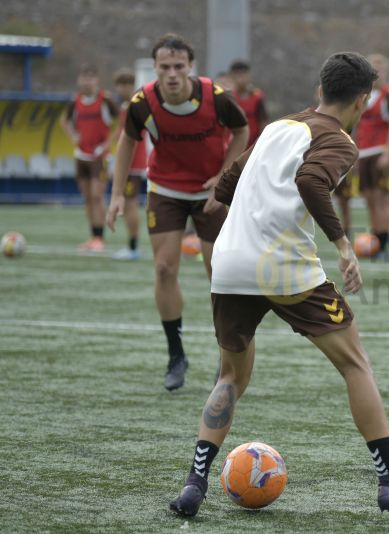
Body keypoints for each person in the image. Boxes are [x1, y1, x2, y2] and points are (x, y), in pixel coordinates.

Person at [167, 52, 389, 517]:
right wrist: (344, 244)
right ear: (363, 100)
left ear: (319, 91)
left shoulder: (277, 127)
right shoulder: (340, 140)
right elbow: (312, 181)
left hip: (230, 264)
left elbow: (227, 185)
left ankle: (195, 483)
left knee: (231, 376)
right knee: (356, 365)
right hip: (285, 266)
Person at [106, 33, 249, 391]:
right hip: (166, 190)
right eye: (164, 67)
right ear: (154, 68)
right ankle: (176, 355)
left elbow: (242, 130)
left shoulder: (215, 97)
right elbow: (127, 142)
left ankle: (226, 356)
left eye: (178, 66)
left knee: (219, 273)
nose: (171, 73)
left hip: (208, 194)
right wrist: (117, 195)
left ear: (190, 67)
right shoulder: (143, 102)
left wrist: (224, 178)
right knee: (164, 267)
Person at [60, 63, 118, 252]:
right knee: (87, 198)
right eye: (84, 78)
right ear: (79, 80)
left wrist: (107, 144)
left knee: (97, 196)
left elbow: (122, 121)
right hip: (81, 156)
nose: (87, 81)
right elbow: (64, 121)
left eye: (91, 78)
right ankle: (93, 236)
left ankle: (100, 238)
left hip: (99, 157)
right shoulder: (75, 101)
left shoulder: (105, 100)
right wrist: (73, 137)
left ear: (97, 81)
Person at [353, 53, 389, 256]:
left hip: (380, 151)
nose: (377, 74)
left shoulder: (388, 95)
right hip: (363, 153)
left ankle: (382, 244)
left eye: (380, 70)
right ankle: (375, 239)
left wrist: (387, 151)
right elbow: (356, 126)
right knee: (369, 199)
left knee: (382, 199)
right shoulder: (361, 96)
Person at [109, 68, 146, 260]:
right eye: (120, 84)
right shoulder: (127, 105)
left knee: (130, 205)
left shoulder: (135, 104)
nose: (122, 88)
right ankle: (132, 247)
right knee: (129, 205)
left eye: (126, 84)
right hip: (131, 163)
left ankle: (133, 248)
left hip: (134, 163)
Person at [229, 60, 268, 148]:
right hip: (235, 145)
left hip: (254, 145)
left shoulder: (258, 97)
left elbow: (263, 120)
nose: (240, 78)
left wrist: (261, 141)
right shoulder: (229, 97)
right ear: (231, 76)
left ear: (248, 76)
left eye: (243, 74)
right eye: (237, 74)